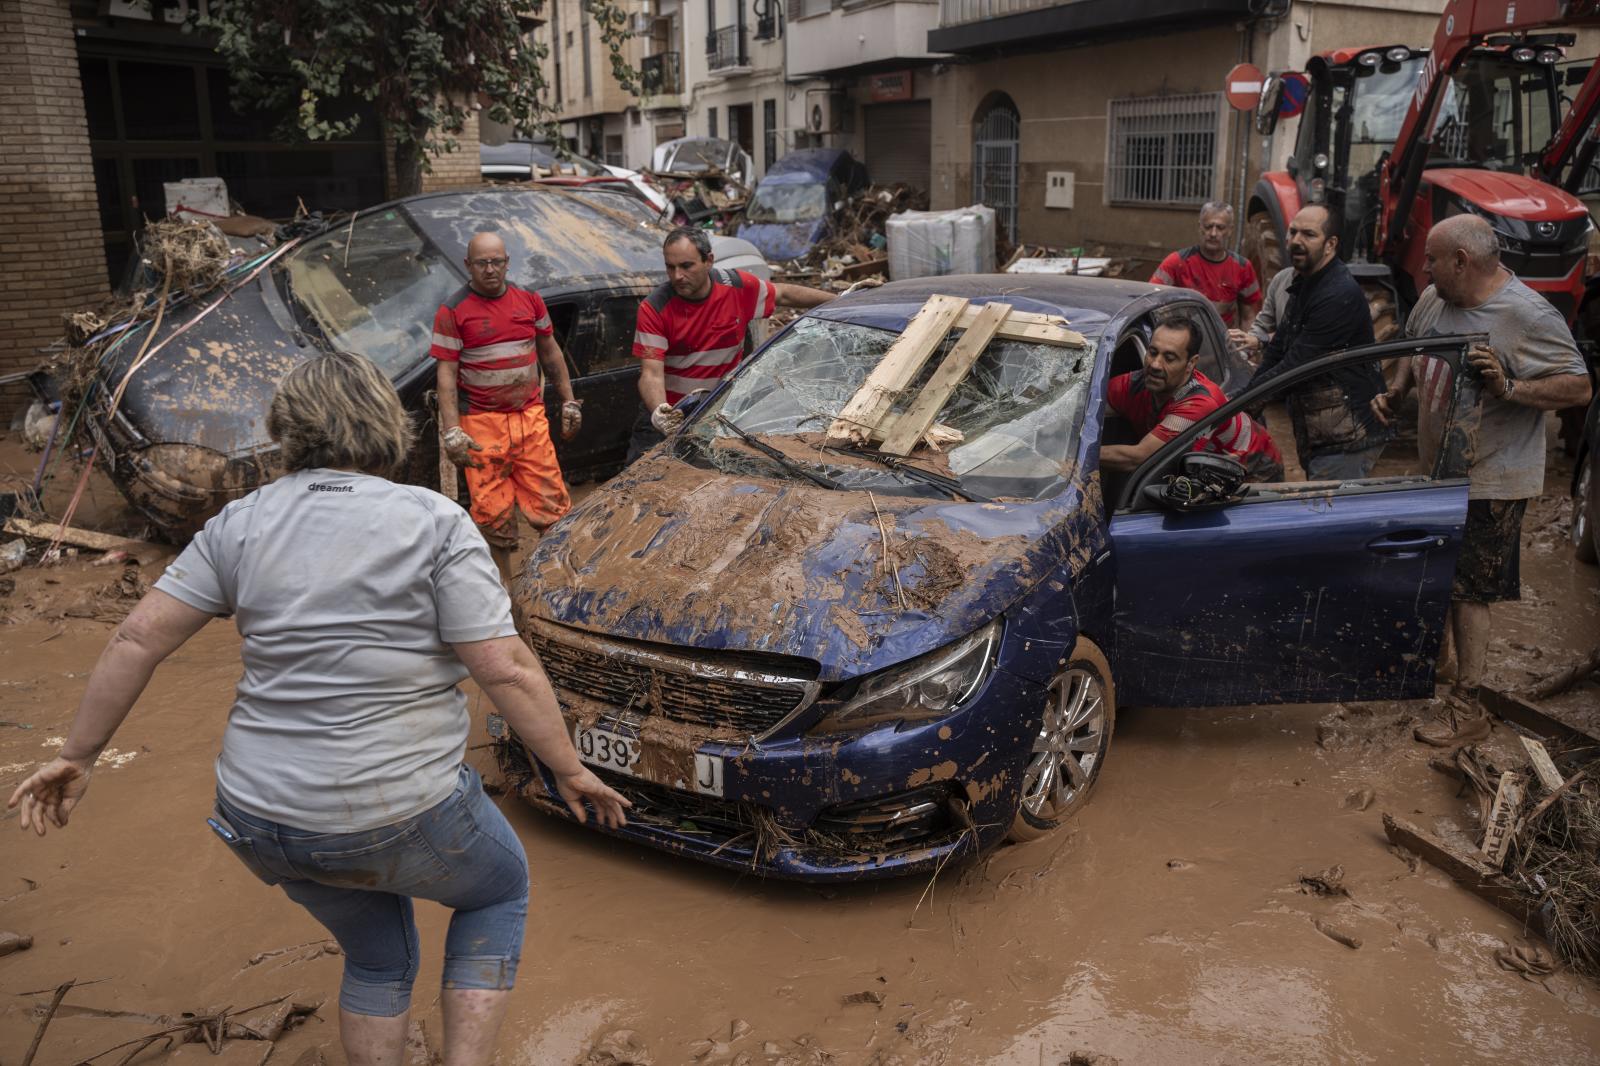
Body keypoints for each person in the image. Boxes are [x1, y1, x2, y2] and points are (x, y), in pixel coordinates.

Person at [7, 352, 630, 1066]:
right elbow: (506, 668)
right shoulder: (432, 520)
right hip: (399, 809)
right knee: (498, 891)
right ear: (384, 425)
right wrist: (569, 770)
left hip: (260, 817)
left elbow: (138, 637)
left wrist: (77, 755)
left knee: (376, 958)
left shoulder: (240, 522)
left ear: (287, 429)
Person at [1371, 214, 1592, 746]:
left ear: (1461, 262)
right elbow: (1413, 344)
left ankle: (1468, 706)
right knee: (1442, 577)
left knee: (1471, 592)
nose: (1422, 268)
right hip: (1440, 471)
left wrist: (1510, 386)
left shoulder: (1526, 315)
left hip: (1494, 477)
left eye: (1431, 260)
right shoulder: (1435, 299)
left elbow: (1580, 387)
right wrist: (1399, 391)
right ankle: (1444, 669)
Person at [433, 230, 583, 583]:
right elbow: (446, 376)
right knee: (492, 512)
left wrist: (568, 401)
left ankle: (556, 580)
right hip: (482, 426)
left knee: (553, 503)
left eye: (496, 261)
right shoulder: (453, 311)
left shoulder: (529, 300)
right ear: (468, 265)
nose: (490, 269)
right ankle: (504, 588)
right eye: (482, 263)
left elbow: (550, 353)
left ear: (507, 263)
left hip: (529, 417)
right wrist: (452, 431)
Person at [628, 227, 836, 461]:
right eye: (670, 267)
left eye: (686, 266)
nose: (677, 276)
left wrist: (844, 300)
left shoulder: (737, 287)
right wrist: (659, 413)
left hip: (714, 413)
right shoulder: (655, 308)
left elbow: (784, 294)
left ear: (709, 261)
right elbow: (651, 374)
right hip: (667, 415)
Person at [1250, 204, 1390, 480]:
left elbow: (1296, 366)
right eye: (1293, 232)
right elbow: (1278, 350)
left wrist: (1244, 404)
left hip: (1347, 437)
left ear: (1330, 244)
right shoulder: (1304, 282)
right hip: (1323, 431)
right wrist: (1248, 397)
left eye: (1309, 235)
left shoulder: (1338, 294)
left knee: (1329, 515)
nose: (1296, 241)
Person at [1099, 316, 1284, 481]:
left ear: (1191, 363)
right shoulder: (1135, 384)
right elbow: (1087, 405)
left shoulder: (1199, 403)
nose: (1155, 364)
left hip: (1254, 468)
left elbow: (1138, 458)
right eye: (1153, 352)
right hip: (1204, 468)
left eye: (1169, 358)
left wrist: (1074, 457)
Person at [1150, 202, 1263, 330]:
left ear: (1230, 230)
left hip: (1222, 343)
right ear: (1200, 227)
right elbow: (1151, 301)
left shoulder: (1243, 267)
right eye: (1208, 226)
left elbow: (1249, 317)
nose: (1213, 233)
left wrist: (1245, 347)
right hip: (1183, 341)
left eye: (1220, 228)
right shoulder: (1176, 262)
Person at [1228, 265, 1294, 365]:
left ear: (1327, 249)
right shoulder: (1281, 279)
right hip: (1281, 365)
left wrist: (1261, 340)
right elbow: (1263, 324)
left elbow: (1300, 333)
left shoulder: (1324, 289)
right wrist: (1243, 352)